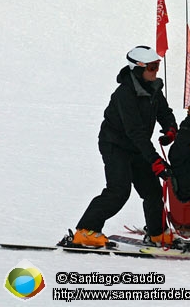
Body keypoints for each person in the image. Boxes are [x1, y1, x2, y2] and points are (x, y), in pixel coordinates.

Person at [73, 46, 177, 247]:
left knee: (153, 192)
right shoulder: (125, 94)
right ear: (138, 69)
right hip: (116, 145)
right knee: (118, 190)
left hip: (137, 147)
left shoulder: (153, 88)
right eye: (152, 67)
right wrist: (155, 159)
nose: (155, 72)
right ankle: (86, 231)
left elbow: (164, 111)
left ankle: (157, 233)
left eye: (157, 67)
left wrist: (171, 128)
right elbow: (134, 131)